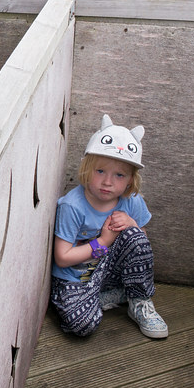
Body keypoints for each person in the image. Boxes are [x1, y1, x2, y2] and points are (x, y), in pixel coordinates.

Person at [49, 114, 168, 339]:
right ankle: (106, 296)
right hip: (77, 276)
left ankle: (139, 300)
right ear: (87, 168)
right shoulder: (72, 206)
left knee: (135, 235)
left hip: (108, 270)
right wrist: (103, 242)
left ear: (130, 180)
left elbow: (141, 242)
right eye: (100, 171)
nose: (108, 182)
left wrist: (132, 224)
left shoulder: (131, 201)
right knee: (81, 325)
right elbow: (62, 258)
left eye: (119, 175)